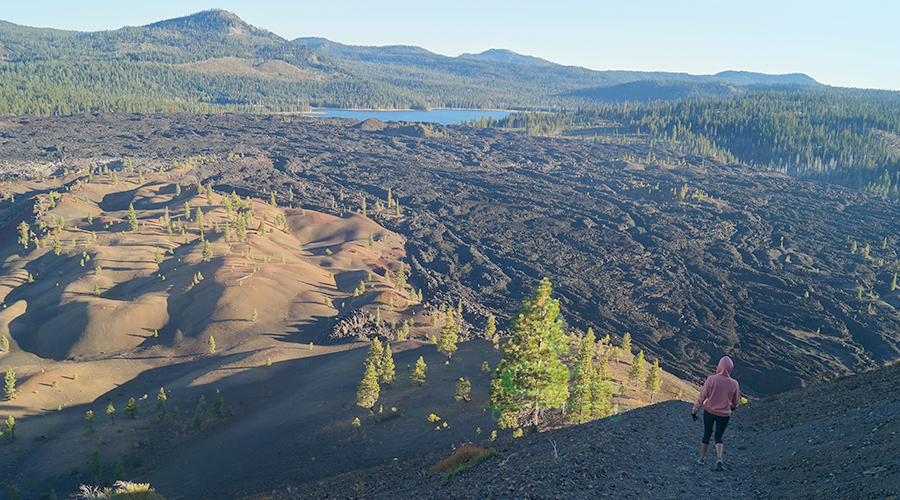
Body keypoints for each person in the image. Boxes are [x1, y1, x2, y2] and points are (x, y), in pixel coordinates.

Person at [691, 356, 740, 471]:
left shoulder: (711, 379)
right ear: (730, 368)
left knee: (707, 434)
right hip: (724, 415)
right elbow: (736, 401)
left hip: (709, 412)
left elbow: (702, 396)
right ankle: (719, 458)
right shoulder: (734, 383)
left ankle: (702, 458)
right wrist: (733, 407)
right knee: (719, 436)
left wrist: (695, 410)